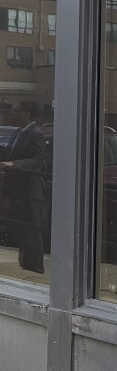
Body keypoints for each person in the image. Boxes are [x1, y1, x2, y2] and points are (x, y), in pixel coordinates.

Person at [0, 101, 50, 274]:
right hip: (17, 191)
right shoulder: (18, 133)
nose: (11, 113)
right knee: (21, 231)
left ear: (27, 113)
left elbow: (38, 161)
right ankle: (26, 267)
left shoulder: (35, 134)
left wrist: (12, 164)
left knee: (32, 233)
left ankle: (35, 269)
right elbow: (10, 153)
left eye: (15, 110)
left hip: (30, 192)